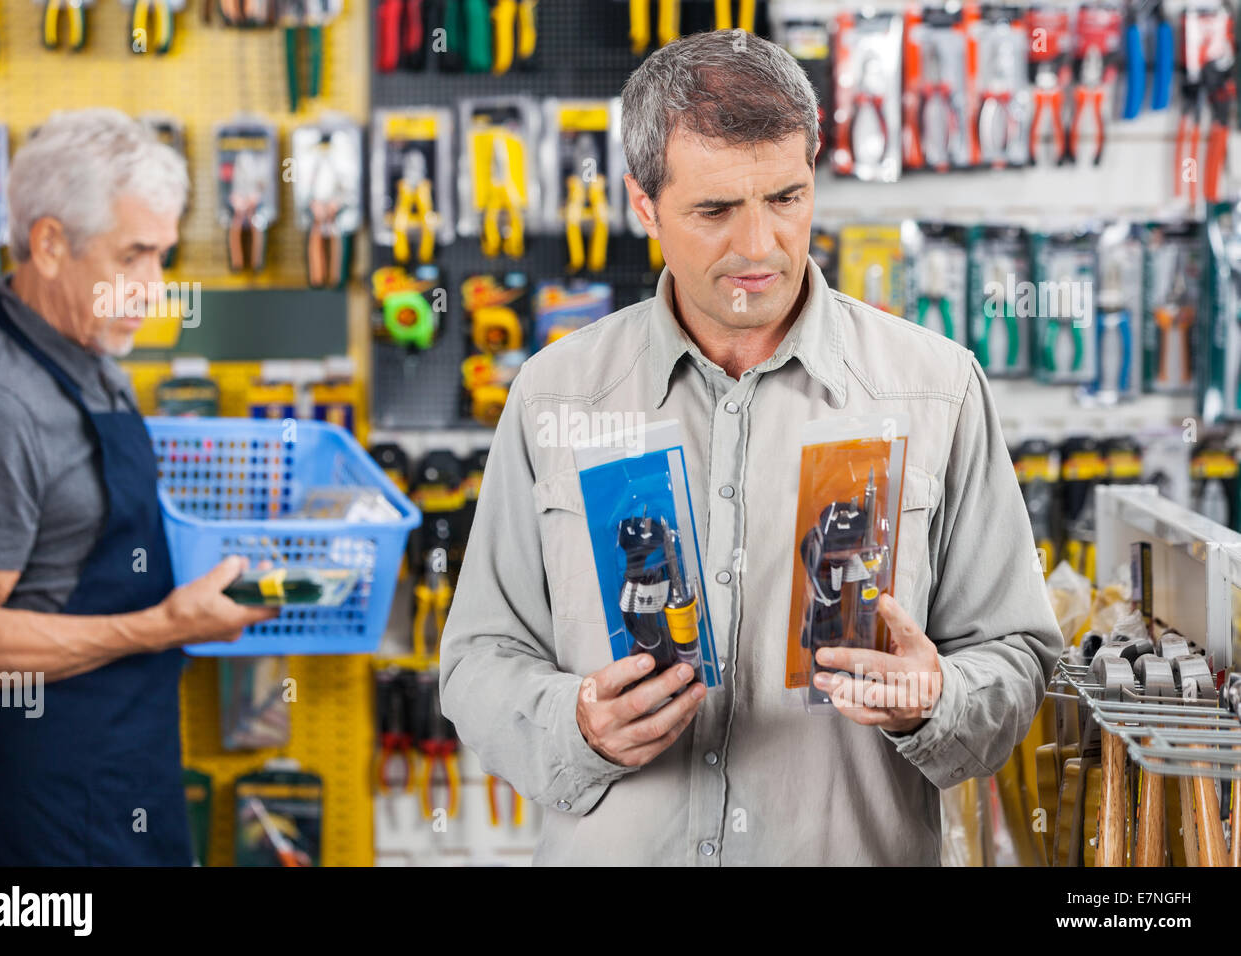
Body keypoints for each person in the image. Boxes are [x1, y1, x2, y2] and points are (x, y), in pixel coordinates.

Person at [439, 31, 1064, 865]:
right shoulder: (555, 397)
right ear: (641, 203)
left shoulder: (938, 390)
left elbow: (1018, 655)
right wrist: (575, 721)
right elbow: (480, 657)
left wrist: (935, 698)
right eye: (714, 210)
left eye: (786, 197)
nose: (760, 247)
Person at [0, 110, 274, 866]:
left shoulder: (91, 356)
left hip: (129, 765)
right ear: (51, 245)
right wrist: (161, 626)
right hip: (47, 803)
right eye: (133, 257)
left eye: (162, 256)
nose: (155, 291)